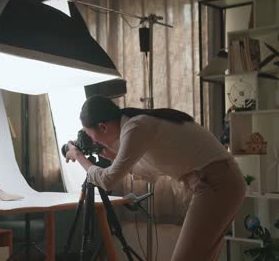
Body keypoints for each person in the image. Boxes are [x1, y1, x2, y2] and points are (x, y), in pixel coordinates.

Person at [65, 95, 245, 261]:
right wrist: (110, 155)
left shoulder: (135, 127)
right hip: (220, 182)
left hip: (216, 182)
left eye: (90, 135)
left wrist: (79, 156)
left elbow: (108, 181)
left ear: (103, 127)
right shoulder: (136, 125)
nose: (93, 141)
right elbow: (148, 172)